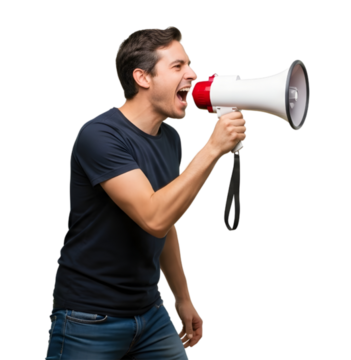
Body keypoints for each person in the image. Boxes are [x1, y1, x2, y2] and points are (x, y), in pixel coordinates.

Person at [46, 25, 247, 359]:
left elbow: (167, 221)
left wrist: (182, 298)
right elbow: (153, 216)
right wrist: (212, 149)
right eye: (178, 66)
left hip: (149, 312)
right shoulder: (99, 135)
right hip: (88, 317)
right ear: (142, 77)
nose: (193, 74)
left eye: (190, 64)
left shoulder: (169, 138)